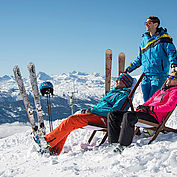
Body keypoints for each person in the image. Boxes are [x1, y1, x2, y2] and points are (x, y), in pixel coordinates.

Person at [34, 73, 134, 155]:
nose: (116, 81)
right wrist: (89, 110)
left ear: (125, 83)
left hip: (105, 118)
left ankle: (47, 141)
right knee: (70, 124)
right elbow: (101, 107)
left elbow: (115, 113)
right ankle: (53, 151)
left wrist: (93, 111)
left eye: (119, 80)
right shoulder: (113, 93)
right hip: (97, 115)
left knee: (72, 120)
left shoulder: (123, 96)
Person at [107, 71, 177, 153]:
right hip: (147, 113)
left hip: (154, 117)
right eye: (168, 76)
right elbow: (149, 102)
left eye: (172, 77)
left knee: (129, 116)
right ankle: (114, 143)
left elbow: (169, 106)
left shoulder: (175, 92)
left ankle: (123, 145)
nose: (168, 78)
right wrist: (143, 107)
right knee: (113, 114)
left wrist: (151, 109)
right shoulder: (161, 91)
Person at [125, 16, 177, 102]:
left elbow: (171, 52)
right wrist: (128, 69)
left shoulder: (164, 38)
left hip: (158, 75)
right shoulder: (144, 41)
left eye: (149, 23)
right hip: (145, 76)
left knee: (153, 101)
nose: (146, 25)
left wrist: (174, 64)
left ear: (156, 24)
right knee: (146, 102)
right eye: (145, 23)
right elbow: (139, 59)